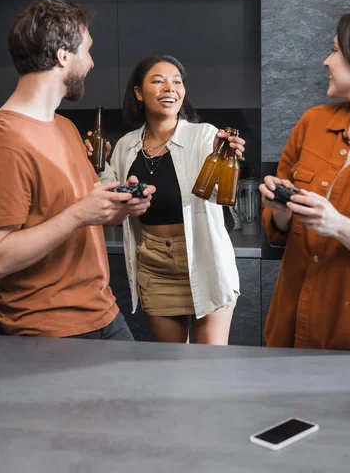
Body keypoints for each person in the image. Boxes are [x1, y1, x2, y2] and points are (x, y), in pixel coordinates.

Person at [0, 0, 154, 340]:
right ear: (63, 56)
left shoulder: (66, 127)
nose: (92, 62)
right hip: (46, 331)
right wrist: (79, 214)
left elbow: (77, 210)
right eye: (87, 51)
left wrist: (118, 208)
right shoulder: (5, 141)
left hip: (103, 314)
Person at [260, 9, 350, 353]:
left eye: (335, 50)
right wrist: (280, 210)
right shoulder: (313, 123)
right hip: (287, 334)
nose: (326, 61)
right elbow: (278, 229)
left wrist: (337, 226)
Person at [86, 55, 245, 344]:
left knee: (209, 366)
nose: (169, 88)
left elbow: (220, 191)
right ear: (138, 92)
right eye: (158, 81)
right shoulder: (126, 145)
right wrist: (99, 166)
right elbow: (115, 193)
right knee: (172, 367)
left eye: (176, 82)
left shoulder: (205, 136)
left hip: (204, 258)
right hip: (155, 264)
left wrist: (228, 154)